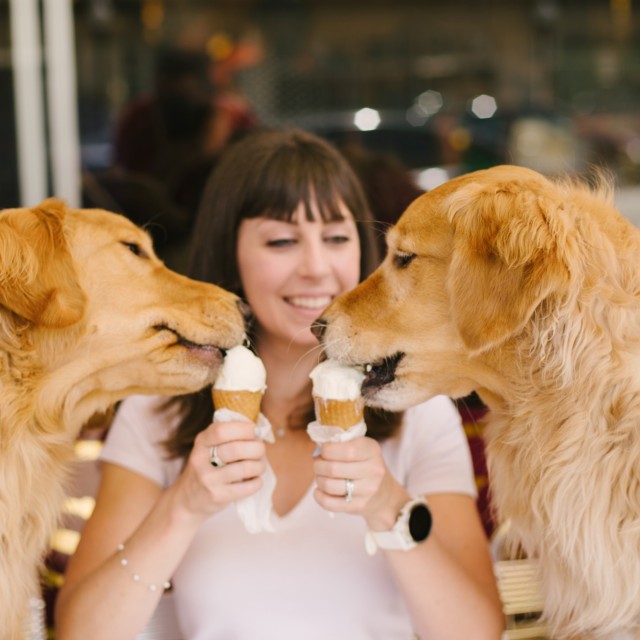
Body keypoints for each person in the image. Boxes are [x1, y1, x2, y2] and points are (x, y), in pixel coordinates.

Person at [55, 129, 503, 640]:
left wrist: (386, 506)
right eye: (282, 241)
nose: (315, 268)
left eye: (336, 238)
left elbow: (477, 633)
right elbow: (80, 633)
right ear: (232, 256)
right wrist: (185, 504)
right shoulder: (160, 410)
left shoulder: (417, 412)